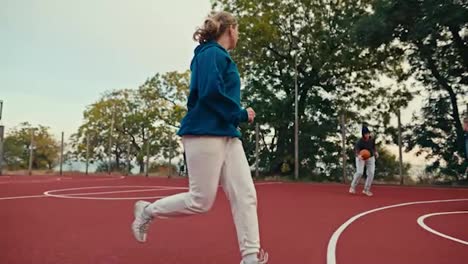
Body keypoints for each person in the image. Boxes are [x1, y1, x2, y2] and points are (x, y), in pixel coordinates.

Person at [131, 11, 268, 264]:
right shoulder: (210, 54)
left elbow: (216, 94)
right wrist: (239, 113)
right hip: (205, 132)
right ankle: (147, 210)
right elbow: (209, 93)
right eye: (237, 30)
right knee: (201, 201)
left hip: (227, 134)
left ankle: (250, 257)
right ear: (230, 29)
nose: (238, 35)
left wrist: (234, 117)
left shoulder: (220, 56)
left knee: (245, 194)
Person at [349, 126, 379, 196]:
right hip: (361, 157)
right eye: (366, 134)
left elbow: (373, 147)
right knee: (359, 172)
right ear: (363, 135)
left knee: (371, 173)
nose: (367, 135)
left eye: (368, 133)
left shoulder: (372, 139)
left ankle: (366, 190)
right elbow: (356, 150)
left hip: (370, 157)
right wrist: (358, 155)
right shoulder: (359, 141)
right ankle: (352, 187)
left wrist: (376, 152)